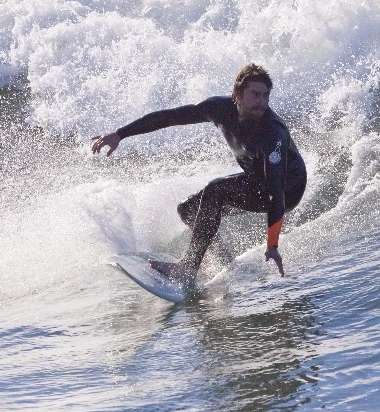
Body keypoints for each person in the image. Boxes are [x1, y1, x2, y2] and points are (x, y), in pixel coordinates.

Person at [91, 63, 307, 285]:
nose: (261, 102)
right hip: (257, 179)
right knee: (189, 210)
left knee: (216, 190)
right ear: (237, 95)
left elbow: (275, 193)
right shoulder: (219, 109)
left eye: (265, 96)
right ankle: (224, 260)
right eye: (254, 94)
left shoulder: (273, 133)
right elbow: (169, 117)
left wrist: (272, 245)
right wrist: (120, 134)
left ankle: (188, 268)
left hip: (287, 189)